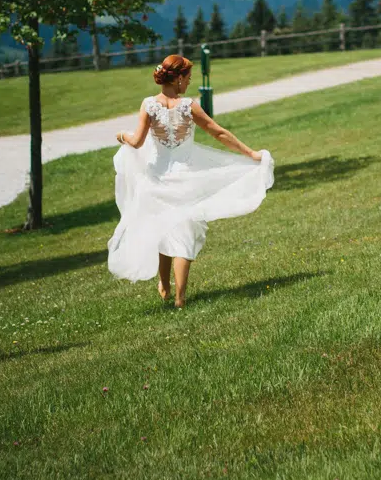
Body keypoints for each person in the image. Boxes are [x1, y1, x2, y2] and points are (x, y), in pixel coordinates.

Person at [108, 54, 274, 307]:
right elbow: (218, 132)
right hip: (185, 178)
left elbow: (137, 141)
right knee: (183, 233)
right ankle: (180, 298)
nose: (189, 83)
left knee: (163, 227)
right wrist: (250, 153)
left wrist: (122, 135)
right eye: (187, 78)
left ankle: (165, 284)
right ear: (177, 79)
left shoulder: (148, 105)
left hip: (156, 178)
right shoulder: (188, 106)